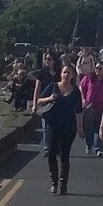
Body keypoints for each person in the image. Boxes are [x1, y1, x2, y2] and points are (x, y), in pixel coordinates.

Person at [32, 63, 82, 195]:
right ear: (61, 74)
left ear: (73, 75)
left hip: (68, 126)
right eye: (64, 72)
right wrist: (50, 98)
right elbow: (39, 101)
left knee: (64, 155)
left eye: (69, 73)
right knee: (51, 153)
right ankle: (54, 182)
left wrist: (80, 127)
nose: (66, 75)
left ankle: (63, 184)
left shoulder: (75, 91)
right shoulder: (52, 86)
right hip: (52, 124)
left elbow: (78, 111)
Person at [78, 58, 103, 156]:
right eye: (96, 68)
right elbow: (81, 87)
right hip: (89, 107)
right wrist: (83, 98)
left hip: (101, 108)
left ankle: (98, 148)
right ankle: (89, 144)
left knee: (99, 128)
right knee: (88, 129)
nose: (97, 70)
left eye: (100, 68)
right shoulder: (89, 78)